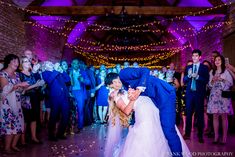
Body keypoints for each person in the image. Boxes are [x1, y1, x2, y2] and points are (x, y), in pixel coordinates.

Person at [104, 73, 191, 157]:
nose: (118, 83)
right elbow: (126, 110)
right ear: (109, 84)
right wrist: (133, 98)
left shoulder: (124, 88)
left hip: (150, 105)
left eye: (118, 81)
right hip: (142, 111)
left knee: (161, 128)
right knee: (147, 131)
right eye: (114, 82)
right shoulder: (114, 95)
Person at [119, 67, 183, 157]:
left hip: (164, 95)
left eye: (115, 82)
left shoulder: (123, 73)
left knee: (169, 131)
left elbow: (145, 70)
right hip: (154, 100)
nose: (115, 85)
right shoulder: (124, 89)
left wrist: (138, 90)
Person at [0, 54, 29, 154]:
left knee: (18, 125)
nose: (17, 63)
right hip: (6, 104)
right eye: (14, 61)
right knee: (9, 126)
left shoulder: (16, 75)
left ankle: (13, 145)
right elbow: (5, 90)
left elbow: (19, 90)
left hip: (17, 103)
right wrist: (19, 85)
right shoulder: (3, 74)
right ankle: (6, 148)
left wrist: (23, 88)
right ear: (8, 62)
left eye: (17, 61)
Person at [183, 49, 209, 143]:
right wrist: (188, 76)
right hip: (190, 94)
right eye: (193, 56)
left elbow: (206, 80)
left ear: (200, 57)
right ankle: (187, 134)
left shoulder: (204, 68)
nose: (194, 57)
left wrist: (198, 77)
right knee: (188, 114)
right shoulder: (188, 67)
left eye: (196, 56)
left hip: (199, 94)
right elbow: (184, 81)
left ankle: (200, 136)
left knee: (200, 115)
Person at [207, 55, 233, 144]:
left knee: (224, 116)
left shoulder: (226, 71)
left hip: (223, 96)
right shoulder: (212, 72)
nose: (217, 61)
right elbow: (209, 85)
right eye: (216, 60)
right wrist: (213, 81)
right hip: (214, 95)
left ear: (222, 61)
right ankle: (216, 137)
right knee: (215, 116)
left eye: (219, 59)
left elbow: (230, 83)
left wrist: (222, 79)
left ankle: (224, 138)